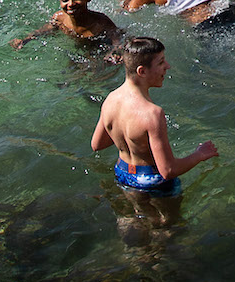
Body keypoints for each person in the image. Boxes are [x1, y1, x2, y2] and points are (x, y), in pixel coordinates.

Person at [90, 35, 218, 217]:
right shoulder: (152, 114)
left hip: (123, 175)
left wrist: (127, 137)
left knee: (134, 222)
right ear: (142, 71)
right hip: (153, 183)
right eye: (161, 63)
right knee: (168, 231)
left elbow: (97, 145)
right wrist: (200, 154)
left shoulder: (111, 99)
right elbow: (168, 171)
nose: (167, 67)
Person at [11, 0, 124, 55]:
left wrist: (114, 52)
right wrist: (25, 40)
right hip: (76, 50)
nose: (70, 4)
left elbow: (117, 41)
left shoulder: (101, 22)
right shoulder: (59, 18)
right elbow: (42, 31)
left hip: (97, 48)